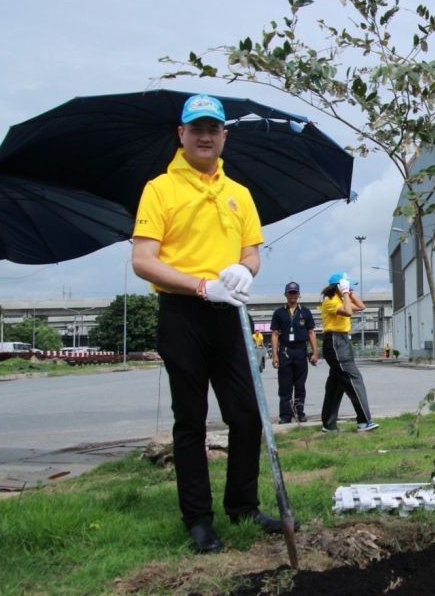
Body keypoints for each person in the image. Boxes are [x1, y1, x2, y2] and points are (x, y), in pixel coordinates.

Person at [131, 93, 295, 554]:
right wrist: (202, 287)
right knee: (190, 420)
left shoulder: (239, 193)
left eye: (213, 129)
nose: (205, 136)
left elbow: (252, 252)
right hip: (183, 313)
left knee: (247, 414)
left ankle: (242, 504)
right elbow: (143, 260)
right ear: (181, 134)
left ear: (224, 136)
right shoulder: (160, 189)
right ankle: (198, 519)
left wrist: (245, 269)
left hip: (231, 316)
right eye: (196, 128)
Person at [319, 272, 378, 432]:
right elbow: (348, 312)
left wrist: (349, 294)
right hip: (335, 341)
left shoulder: (341, 299)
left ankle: (328, 424)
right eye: (347, 286)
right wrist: (345, 294)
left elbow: (361, 307)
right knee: (354, 378)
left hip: (343, 340)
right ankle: (364, 421)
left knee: (336, 384)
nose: (350, 289)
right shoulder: (330, 301)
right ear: (338, 286)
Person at [270, 281, 319, 423]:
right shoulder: (279, 313)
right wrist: (275, 355)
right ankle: (285, 416)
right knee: (285, 385)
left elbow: (311, 332)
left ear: (299, 294)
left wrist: (315, 352)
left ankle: (299, 412)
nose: (292, 295)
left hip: (300, 351)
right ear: (285, 294)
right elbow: (275, 334)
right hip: (285, 351)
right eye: (290, 292)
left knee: (300, 385)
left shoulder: (305, 312)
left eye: (295, 292)